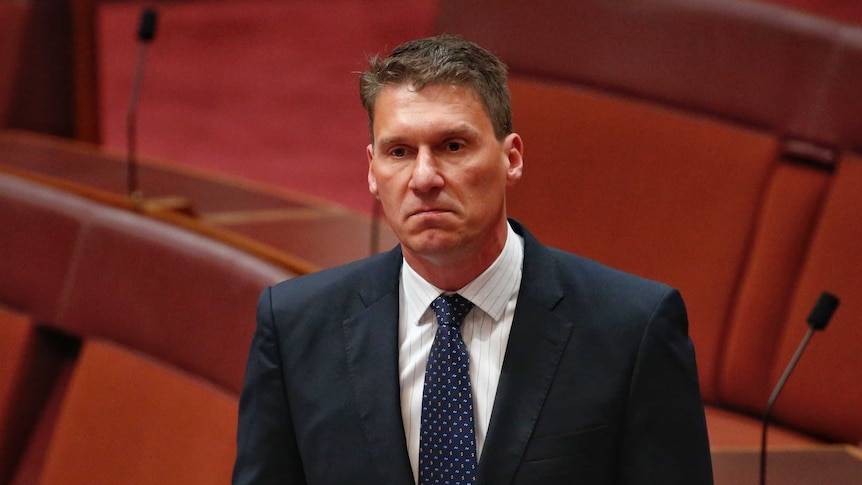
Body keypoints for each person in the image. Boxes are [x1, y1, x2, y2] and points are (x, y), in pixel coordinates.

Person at [232, 34, 713, 485]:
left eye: (452, 146)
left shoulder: (631, 329)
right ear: (373, 172)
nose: (423, 178)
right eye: (399, 151)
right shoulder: (295, 326)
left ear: (512, 158)